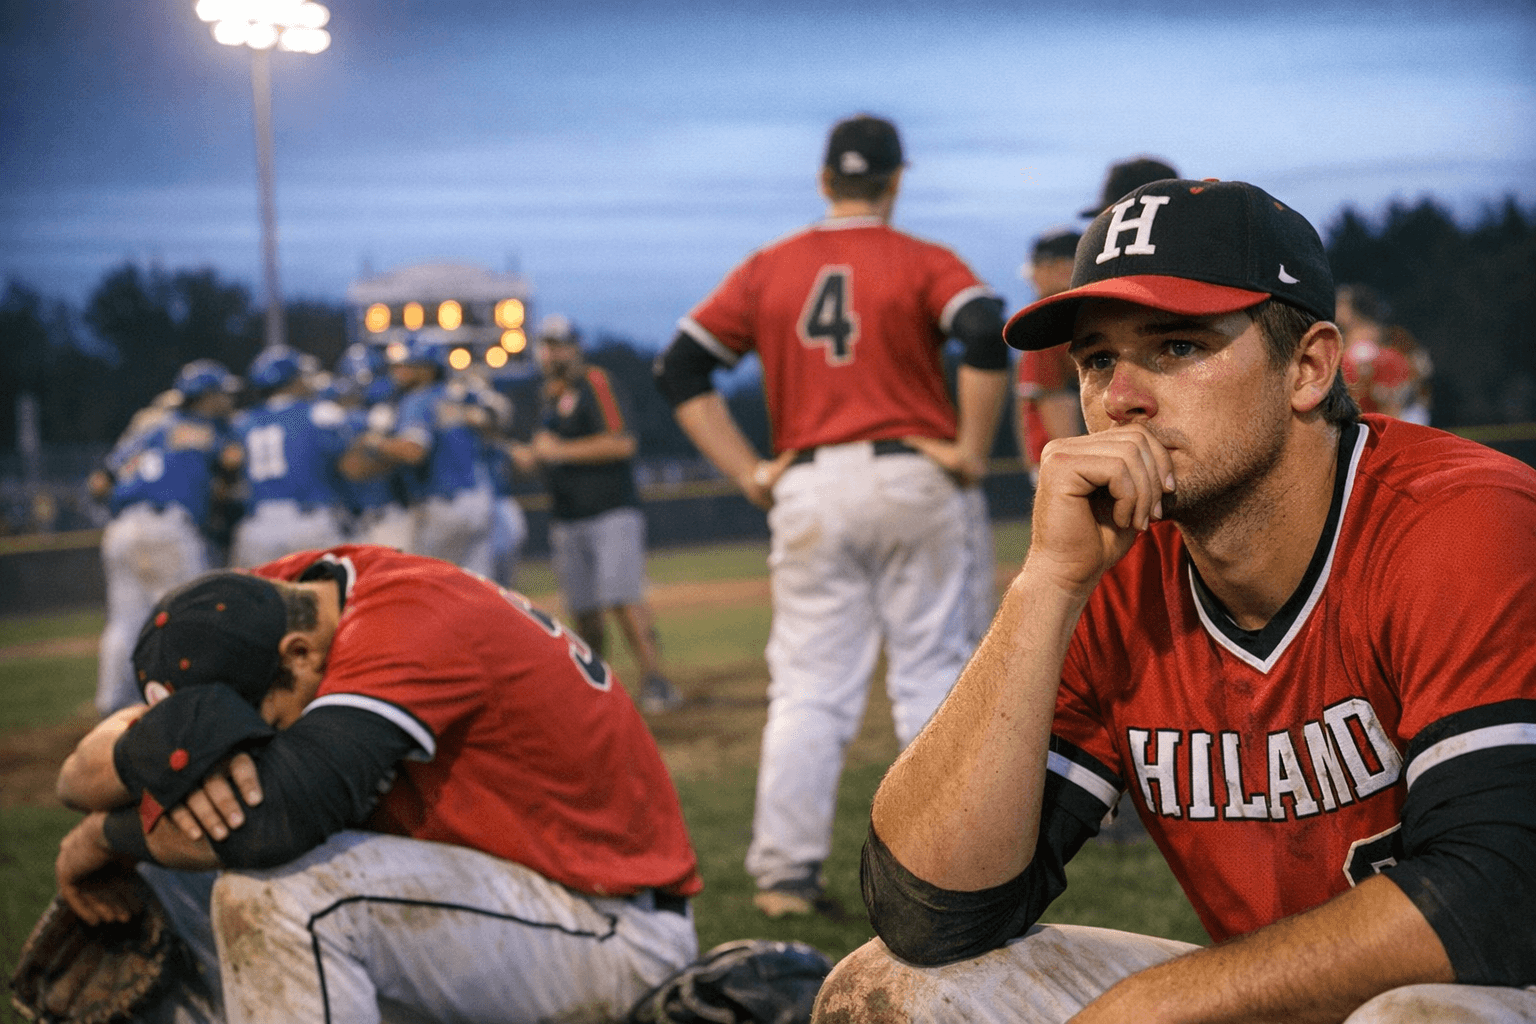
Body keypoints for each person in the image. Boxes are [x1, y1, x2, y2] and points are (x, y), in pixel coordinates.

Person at [812, 178, 1536, 1023]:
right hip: (1298, 994)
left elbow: (1502, 895)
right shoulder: (1113, 567)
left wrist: (1149, 1007)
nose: (1121, 398)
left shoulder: (1462, 520)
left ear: (1308, 367)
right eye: (1097, 360)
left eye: (1178, 347)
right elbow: (926, 915)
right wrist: (1046, 586)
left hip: (1501, 986)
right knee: (889, 990)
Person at [52, 544, 703, 1023]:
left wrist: (103, 837)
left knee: (280, 892)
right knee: (179, 851)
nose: (244, 750)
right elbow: (78, 777)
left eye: (257, 730)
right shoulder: (269, 601)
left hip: (609, 927)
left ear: (299, 657)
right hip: (488, 893)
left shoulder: (410, 623)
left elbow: (274, 822)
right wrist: (151, 748)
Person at [654, 114, 1010, 918]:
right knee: (930, 676)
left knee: (809, 689)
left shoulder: (769, 268)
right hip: (910, 473)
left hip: (810, 482)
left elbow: (679, 367)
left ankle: (784, 878)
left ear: (824, 181)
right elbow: (985, 329)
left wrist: (747, 471)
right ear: (894, 179)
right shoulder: (922, 260)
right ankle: (941, 866)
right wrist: (970, 448)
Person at [510, 314, 681, 714]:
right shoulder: (547, 396)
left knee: (623, 597)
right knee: (583, 611)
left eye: (559, 344)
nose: (551, 353)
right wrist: (531, 458)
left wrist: (558, 452)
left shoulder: (596, 383)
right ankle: (596, 691)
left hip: (610, 510)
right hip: (567, 515)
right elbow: (547, 450)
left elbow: (622, 444)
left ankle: (656, 682)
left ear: (575, 346)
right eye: (546, 345)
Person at [88, 359, 239, 716]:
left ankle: (112, 707)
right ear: (206, 397)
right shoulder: (204, 428)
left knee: (125, 623)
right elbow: (233, 462)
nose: (228, 400)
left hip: (122, 529)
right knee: (190, 616)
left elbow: (99, 483)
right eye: (222, 393)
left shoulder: (148, 431)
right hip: (170, 528)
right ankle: (193, 703)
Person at [343, 335, 497, 575]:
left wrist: (374, 441)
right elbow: (494, 421)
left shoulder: (418, 399)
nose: (400, 372)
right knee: (480, 588)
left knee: (432, 586)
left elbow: (414, 451)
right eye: (398, 366)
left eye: (409, 365)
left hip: (444, 505)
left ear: (428, 369)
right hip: (480, 498)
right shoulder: (451, 394)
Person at [225, 345, 352, 567]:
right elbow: (350, 464)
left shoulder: (242, 421)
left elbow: (230, 460)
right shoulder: (321, 412)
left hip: (258, 525)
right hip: (308, 522)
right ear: (293, 380)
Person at [1014, 227, 1085, 485]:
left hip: (1065, 464)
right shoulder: (1075, 320)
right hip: (1063, 462)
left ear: (1060, 267)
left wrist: (1077, 472)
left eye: (1037, 269)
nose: (1033, 278)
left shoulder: (1050, 323)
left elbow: (1056, 402)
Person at [1336, 282, 1432, 424]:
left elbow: (1415, 383)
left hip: (1384, 418)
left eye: (1341, 304)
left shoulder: (1385, 344)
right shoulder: (1342, 342)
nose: (1336, 308)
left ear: (1354, 308)